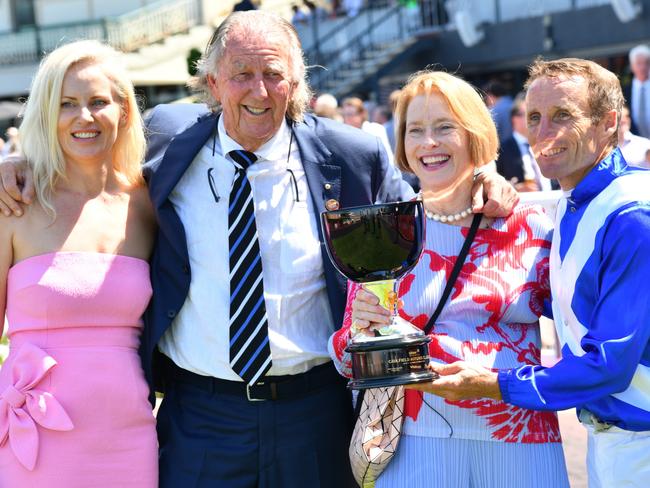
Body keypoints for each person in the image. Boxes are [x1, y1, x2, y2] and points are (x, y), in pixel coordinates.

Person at [0, 11, 518, 487]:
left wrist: (483, 180)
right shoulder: (167, 144)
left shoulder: (353, 156)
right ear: (213, 83)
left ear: (296, 84)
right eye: (241, 73)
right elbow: (86, 155)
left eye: (273, 74)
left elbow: (419, 223)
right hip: (199, 418)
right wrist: (17, 164)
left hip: (314, 415)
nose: (259, 89)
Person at [416, 58, 650, 487]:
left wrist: (494, 384)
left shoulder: (632, 215)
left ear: (609, 123)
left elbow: (608, 366)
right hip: (613, 442)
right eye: (535, 117)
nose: (544, 133)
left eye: (563, 116)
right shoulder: (575, 201)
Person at [330, 70, 569, 488]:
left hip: (520, 434)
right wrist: (360, 332)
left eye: (445, 128)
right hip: (414, 441)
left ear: (474, 134)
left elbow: (576, 328)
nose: (429, 143)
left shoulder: (530, 225)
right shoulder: (384, 228)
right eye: (415, 130)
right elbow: (347, 356)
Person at [0, 40, 157, 486]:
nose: (83, 117)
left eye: (97, 102)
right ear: (48, 114)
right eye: (66, 104)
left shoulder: (148, 204)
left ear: (124, 110)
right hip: (35, 436)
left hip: (130, 435)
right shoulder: (15, 202)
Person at [496, 94, 552, 192]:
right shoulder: (502, 149)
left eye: (535, 116)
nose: (532, 120)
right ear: (514, 118)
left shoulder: (547, 145)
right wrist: (515, 188)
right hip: (522, 204)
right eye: (527, 115)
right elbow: (494, 182)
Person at [341, 96, 394, 162]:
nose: (347, 118)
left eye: (350, 114)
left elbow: (387, 156)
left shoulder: (375, 129)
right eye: (344, 115)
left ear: (362, 114)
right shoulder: (343, 134)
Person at [624, 44, 650, 138]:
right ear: (632, 66)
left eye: (646, 63)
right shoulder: (624, 91)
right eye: (639, 63)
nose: (643, 67)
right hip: (637, 145)